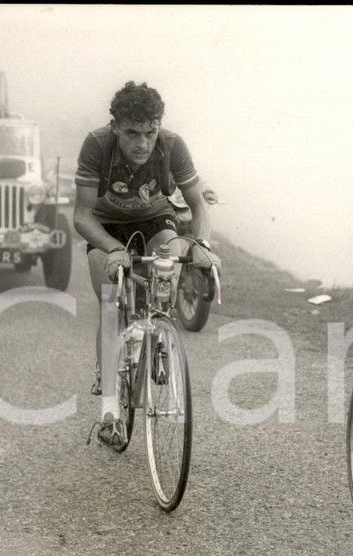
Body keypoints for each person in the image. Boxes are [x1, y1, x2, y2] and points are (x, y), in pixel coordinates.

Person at [73, 81, 221, 447]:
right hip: (105, 226)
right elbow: (81, 216)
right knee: (110, 303)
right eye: (132, 133)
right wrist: (111, 249)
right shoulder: (96, 145)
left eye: (150, 133)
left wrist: (201, 245)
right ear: (115, 128)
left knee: (170, 258)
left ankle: (158, 332)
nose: (142, 144)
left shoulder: (172, 145)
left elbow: (198, 205)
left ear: (159, 127)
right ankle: (109, 411)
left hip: (156, 219)